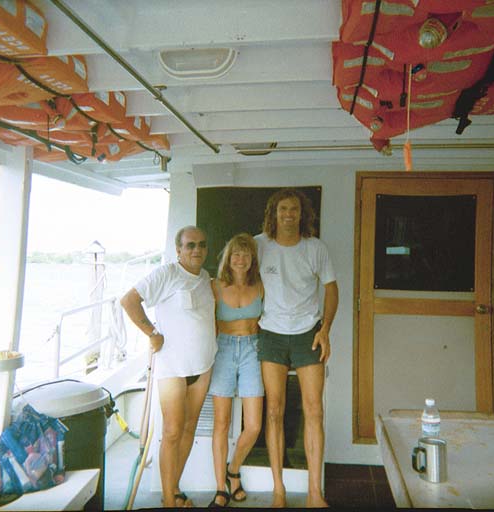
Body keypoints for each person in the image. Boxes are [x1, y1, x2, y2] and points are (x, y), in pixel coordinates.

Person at [120, 226, 215, 508]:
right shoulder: (167, 274)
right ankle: (170, 501)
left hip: (203, 365)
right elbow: (129, 301)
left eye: (201, 244)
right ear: (178, 250)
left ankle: (172, 489)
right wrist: (151, 332)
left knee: (189, 428)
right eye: (190, 245)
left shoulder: (206, 277)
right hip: (173, 366)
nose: (196, 250)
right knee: (173, 431)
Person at [254, 188, 338, 508]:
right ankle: (279, 490)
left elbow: (331, 289)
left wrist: (325, 330)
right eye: (283, 209)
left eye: (294, 209)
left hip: (308, 334)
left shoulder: (315, 248)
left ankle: (315, 493)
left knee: (314, 411)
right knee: (274, 411)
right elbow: (234, 276)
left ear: (302, 214)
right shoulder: (258, 245)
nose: (288, 214)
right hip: (270, 334)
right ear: (273, 214)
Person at [207, 233, 265, 507]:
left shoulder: (261, 286)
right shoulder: (214, 286)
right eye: (236, 254)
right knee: (221, 423)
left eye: (246, 254)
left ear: (253, 259)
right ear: (228, 259)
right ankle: (221, 487)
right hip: (224, 350)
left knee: (253, 425)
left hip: (253, 351)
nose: (241, 259)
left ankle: (233, 469)